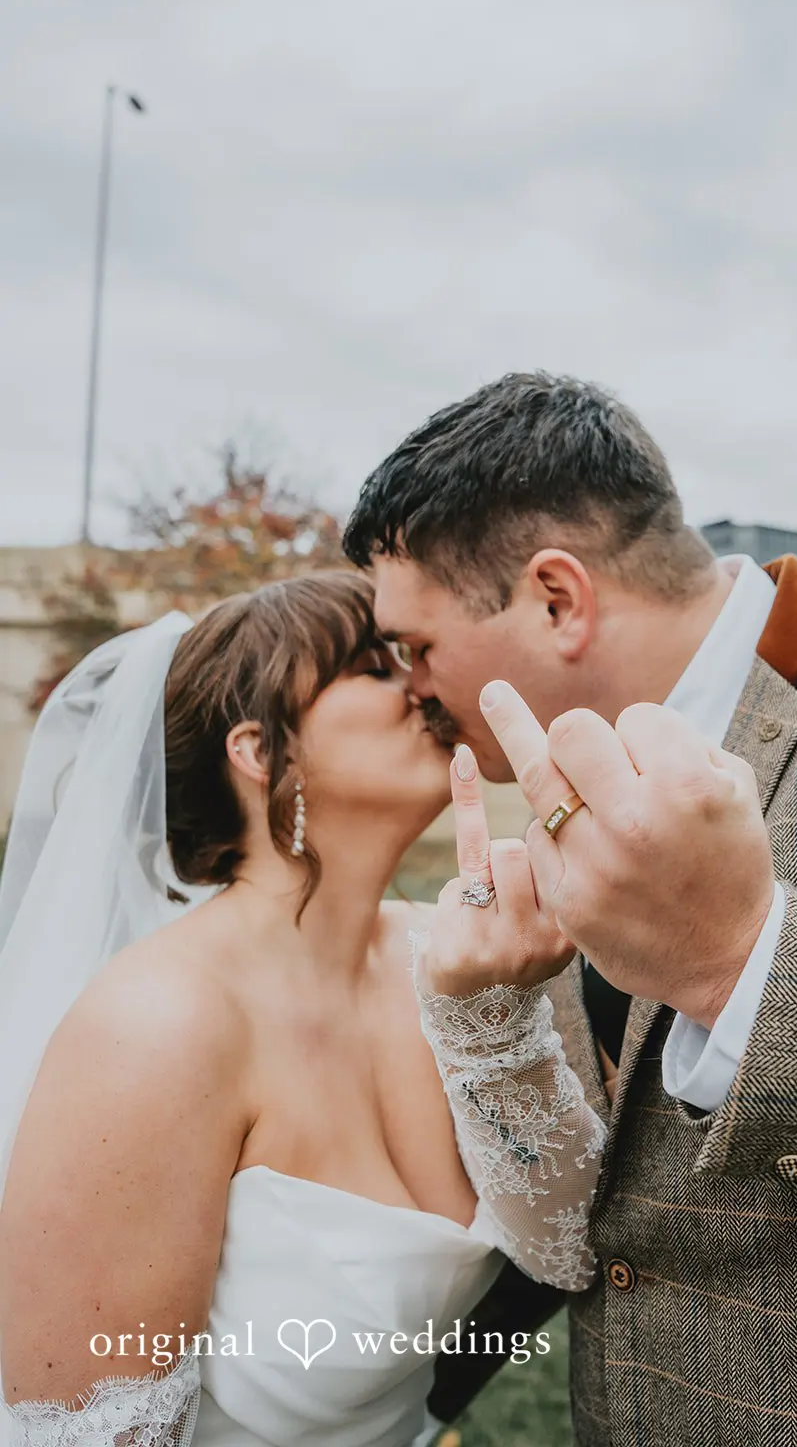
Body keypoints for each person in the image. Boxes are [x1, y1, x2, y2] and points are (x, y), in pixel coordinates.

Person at [345, 371, 797, 1446]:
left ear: (555, 597)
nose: (409, 684)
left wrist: (743, 963)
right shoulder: (555, 800)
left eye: (418, 644)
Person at [0, 570, 605, 1447]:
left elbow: (567, 1250)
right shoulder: (157, 1024)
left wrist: (497, 1028)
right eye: (371, 666)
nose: (421, 684)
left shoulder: (449, 957)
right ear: (258, 752)